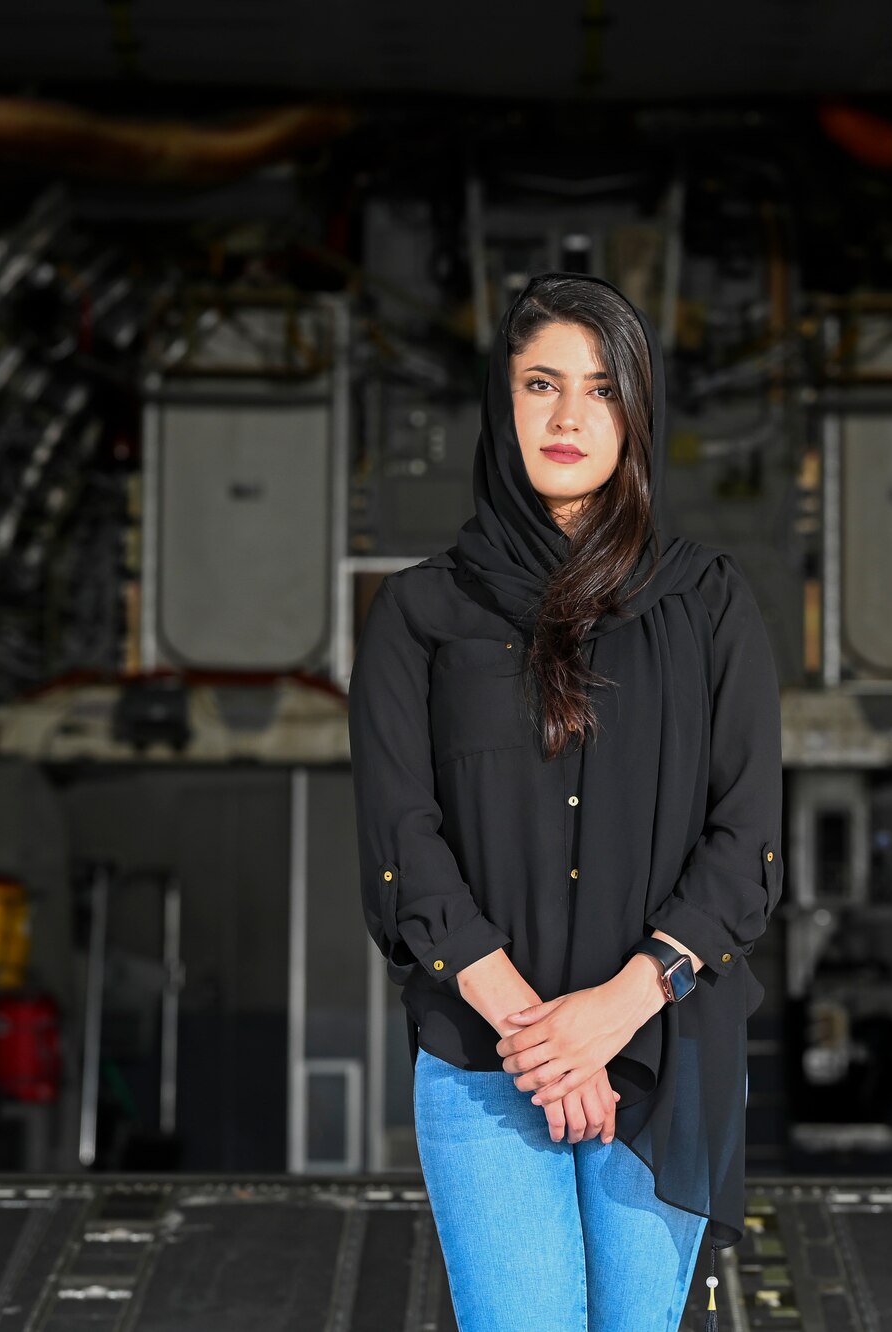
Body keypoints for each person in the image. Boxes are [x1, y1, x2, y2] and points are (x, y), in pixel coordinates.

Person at [347, 271, 784, 1331]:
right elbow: (404, 841)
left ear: (636, 414)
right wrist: (539, 1039)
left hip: (662, 1046)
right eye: (539, 383)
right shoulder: (419, 614)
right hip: (483, 1057)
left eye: (599, 388)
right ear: (500, 405)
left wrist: (613, 1010)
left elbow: (746, 844)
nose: (567, 416)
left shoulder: (712, 605)